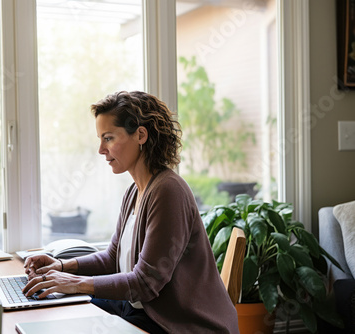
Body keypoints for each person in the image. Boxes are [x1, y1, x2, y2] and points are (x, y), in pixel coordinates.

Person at [23, 91, 239, 333]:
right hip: (141, 310)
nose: (101, 150)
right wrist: (61, 267)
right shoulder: (134, 192)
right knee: (57, 313)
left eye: (108, 138)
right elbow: (111, 258)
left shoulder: (168, 191)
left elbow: (145, 284)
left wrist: (74, 283)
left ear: (140, 135)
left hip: (177, 324)